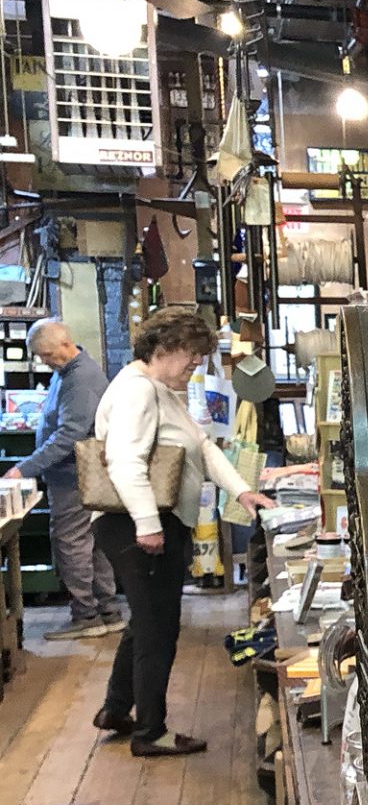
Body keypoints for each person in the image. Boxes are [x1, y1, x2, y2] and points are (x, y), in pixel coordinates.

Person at [93, 307, 272, 757]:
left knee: (145, 621)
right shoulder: (138, 391)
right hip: (140, 524)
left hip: (149, 521)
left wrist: (242, 491)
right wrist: (148, 526)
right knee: (159, 630)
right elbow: (124, 462)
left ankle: (116, 708)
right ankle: (150, 733)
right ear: (164, 348)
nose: (195, 365)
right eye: (191, 355)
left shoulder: (159, 389)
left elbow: (203, 447)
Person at [7, 320, 121, 639]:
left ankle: (87, 615)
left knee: (72, 543)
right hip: (73, 475)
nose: (43, 361)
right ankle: (106, 610)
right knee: (90, 543)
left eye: (45, 354)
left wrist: (24, 468)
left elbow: (69, 434)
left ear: (64, 345)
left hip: (74, 476)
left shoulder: (80, 378)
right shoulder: (68, 373)